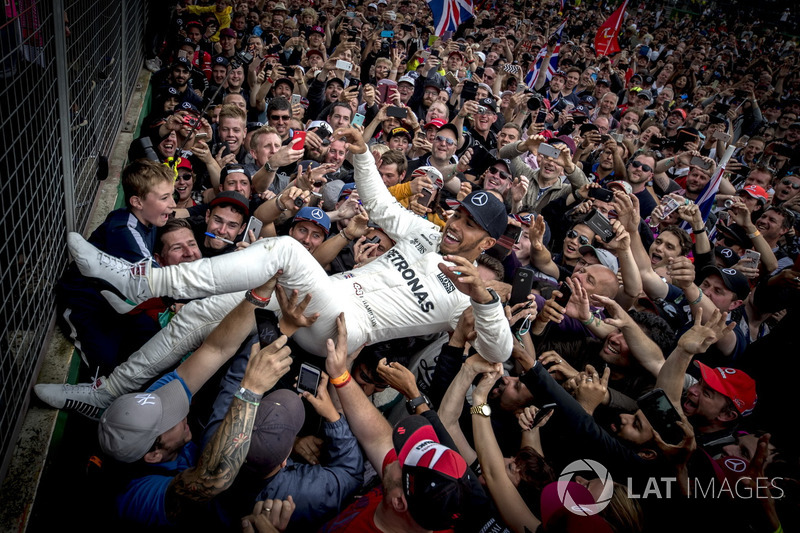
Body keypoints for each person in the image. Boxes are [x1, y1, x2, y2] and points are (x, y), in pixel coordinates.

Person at [38, 128, 512, 416]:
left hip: (340, 331)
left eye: (469, 225)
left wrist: (487, 303)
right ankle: (110, 391)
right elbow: (384, 204)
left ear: (487, 242)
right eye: (459, 214)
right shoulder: (427, 234)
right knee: (204, 312)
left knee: (283, 248)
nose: (456, 225)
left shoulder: (469, 296)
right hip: (315, 295)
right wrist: (364, 155)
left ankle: (139, 280)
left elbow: (499, 350)